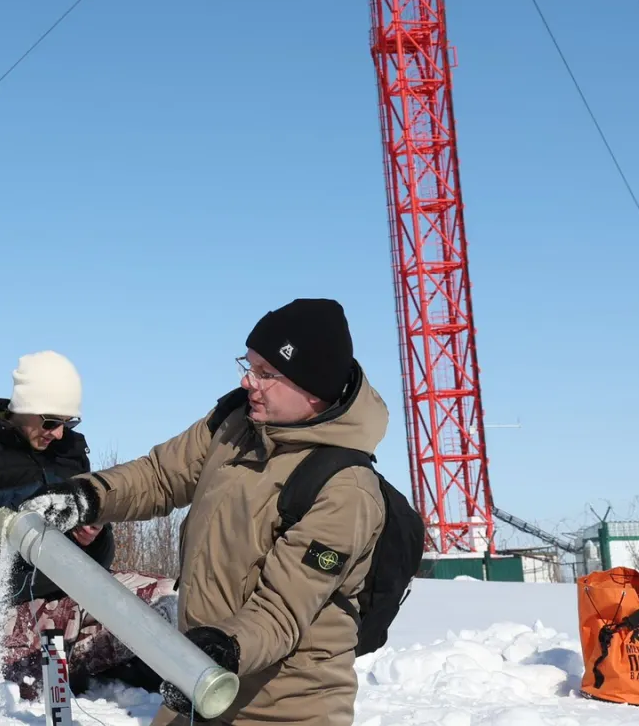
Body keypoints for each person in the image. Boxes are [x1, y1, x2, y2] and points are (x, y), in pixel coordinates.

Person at [22, 298, 388, 726]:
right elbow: (161, 475)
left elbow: (281, 614)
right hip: (203, 683)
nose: (250, 381)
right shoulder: (235, 423)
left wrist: (218, 650)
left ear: (313, 391)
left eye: (268, 374)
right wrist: (88, 497)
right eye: (248, 365)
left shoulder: (344, 487)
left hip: (283, 708)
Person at [0, 351, 173, 697]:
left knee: (172, 603)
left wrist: (92, 537)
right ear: (24, 407)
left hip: (76, 595)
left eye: (69, 423)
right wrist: (13, 532)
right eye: (51, 421)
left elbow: (100, 560)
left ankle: (109, 666)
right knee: (24, 680)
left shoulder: (70, 455)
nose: (58, 432)